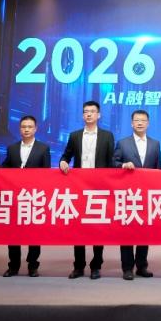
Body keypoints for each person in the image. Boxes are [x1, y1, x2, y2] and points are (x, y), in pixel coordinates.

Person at [60, 100, 116, 280]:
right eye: (86, 111)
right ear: (83, 115)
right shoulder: (75, 135)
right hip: (79, 187)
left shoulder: (107, 136)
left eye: (92, 111)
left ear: (99, 115)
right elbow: (66, 155)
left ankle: (96, 266)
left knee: (98, 227)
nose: (89, 114)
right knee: (79, 228)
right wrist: (63, 162)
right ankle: (78, 266)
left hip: (100, 188)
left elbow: (111, 162)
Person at [114, 108, 161, 280]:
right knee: (126, 230)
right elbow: (113, 162)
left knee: (144, 230)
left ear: (148, 123)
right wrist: (122, 165)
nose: (140, 123)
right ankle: (127, 268)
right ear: (131, 123)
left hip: (148, 193)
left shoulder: (155, 144)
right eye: (137, 120)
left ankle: (142, 266)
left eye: (143, 120)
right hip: (127, 193)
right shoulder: (122, 143)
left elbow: (158, 168)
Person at [2, 115, 50, 277]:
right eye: (23, 127)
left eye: (30, 127)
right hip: (15, 198)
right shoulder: (12, 148)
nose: (26, 129)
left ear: (35, 129)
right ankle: (13, 266)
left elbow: (46, 174)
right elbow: (5, 168)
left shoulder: (43, 148)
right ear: (20, 129)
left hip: (34, 197)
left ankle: (33, 266)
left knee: (34, 233)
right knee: (13, 233)